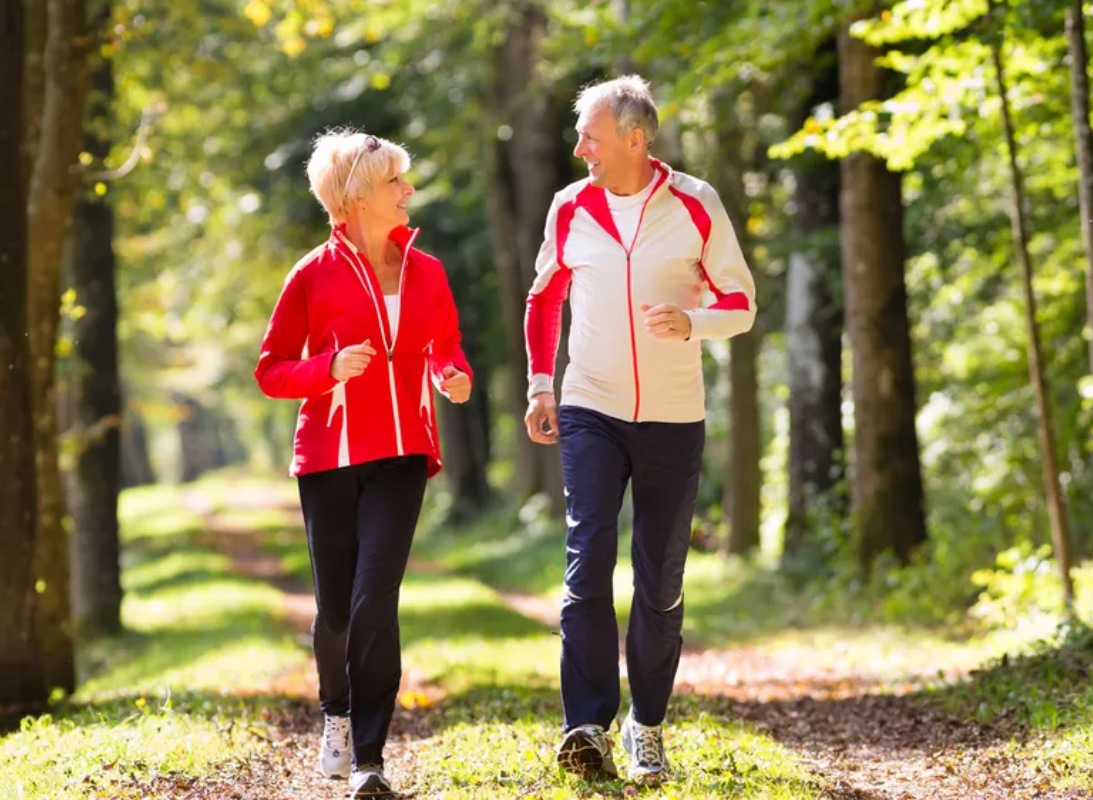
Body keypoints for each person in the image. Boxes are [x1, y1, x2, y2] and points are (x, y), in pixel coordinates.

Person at [523, 75, 756, 782]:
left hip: (672, 416)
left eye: (590, 135)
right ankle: (586, 725)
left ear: (634, 137)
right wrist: (541, 386)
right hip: (590, 405)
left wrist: (694, 322)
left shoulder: (696, 204)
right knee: (587, 559)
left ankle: (646, 726)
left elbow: (741, 303)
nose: (579, 148)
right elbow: (544, 299)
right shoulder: (571, 207)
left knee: (659, 582)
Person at [255, 129, 472, 799]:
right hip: (329, 456)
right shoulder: (311, 275)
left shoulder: (427, 271)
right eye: (394, 182)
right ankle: (337, 713)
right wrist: (327, 368)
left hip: (404, 454)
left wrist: (452, 374)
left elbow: (448, 348)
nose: (408, 191)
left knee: (377, 599)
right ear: (353, 198)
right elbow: (270, 371)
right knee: (339, 611)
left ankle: (371, 759)